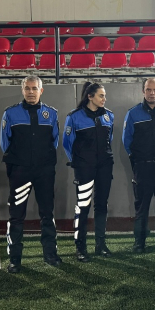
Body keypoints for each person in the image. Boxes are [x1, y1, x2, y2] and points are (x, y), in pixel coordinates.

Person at [0, 75, 61, 273]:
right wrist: (20, 160)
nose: (31, 92)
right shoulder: (10, 113)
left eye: (34, 88)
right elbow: (4, 143)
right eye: (27, 88)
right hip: (20, 171)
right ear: (22, 90)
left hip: (44, 171)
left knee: (47, 213)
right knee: (16, 215)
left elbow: (54, 141)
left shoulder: (51, 114)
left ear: (41, 91)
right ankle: (15, 259)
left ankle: (50, 254)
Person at [63, 82, 115, 263]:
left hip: (105, 167)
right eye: (101, 95)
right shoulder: (74, 117)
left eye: (105, 95)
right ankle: (81, 247)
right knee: (83, 206)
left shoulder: (109, 116)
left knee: (101, 205)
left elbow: (109, 139)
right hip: (84, 169)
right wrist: (80, 162)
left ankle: (101, 244)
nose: (104, 99)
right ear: (90, 96)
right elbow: (67, 143)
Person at [122, 78, 155, 253]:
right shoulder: (133, 113)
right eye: (148, 90)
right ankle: (139, 241)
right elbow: (127, 141)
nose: (152, 93)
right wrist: (137, 161)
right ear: (143, 91)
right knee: (141, 207)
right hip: (143, 168)